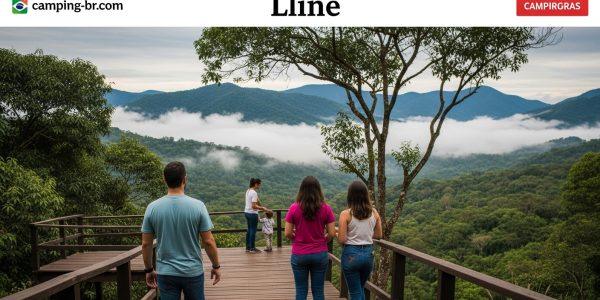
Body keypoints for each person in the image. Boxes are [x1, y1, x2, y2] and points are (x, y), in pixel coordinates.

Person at [141, 161, 221, 300]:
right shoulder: (198, 206)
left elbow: (146, 244)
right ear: (185, 179)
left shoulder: (152, 208)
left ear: (164, 179)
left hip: (166, 272)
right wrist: (216, 266)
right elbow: (208, 241)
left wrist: (148, 269)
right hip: (192, 272)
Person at [285, 176, 336, 300]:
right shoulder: (326, 209)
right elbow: (331, 233)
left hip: (299, 254)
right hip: (319, 253)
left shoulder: (294, 208)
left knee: (301, 290)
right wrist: (324, 240)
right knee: (318, 291)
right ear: (318, 190)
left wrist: (295, 238)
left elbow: (287, 233)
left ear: (301, 190)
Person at [337, 180, 383, 300]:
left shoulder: (345, 214)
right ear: (366, 194)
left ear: (350, 195)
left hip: (351, 255)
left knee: (355, 292)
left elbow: (342, 239)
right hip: (368, 254)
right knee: (359, 289)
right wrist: (365, 236)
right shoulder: (374, 213)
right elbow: (378, 235)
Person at [245, 178, 269, 253]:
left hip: (246, 212)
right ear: (256, 184)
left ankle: (248, 247)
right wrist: (263, 208)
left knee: (249, 230)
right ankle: (252, 248)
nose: (260, 186)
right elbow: (254, 206)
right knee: (253, 231)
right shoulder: (254, 193)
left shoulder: (248, 191)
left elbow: (257, 201)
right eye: (259, 184)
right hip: (252, 213)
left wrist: (261, 206)